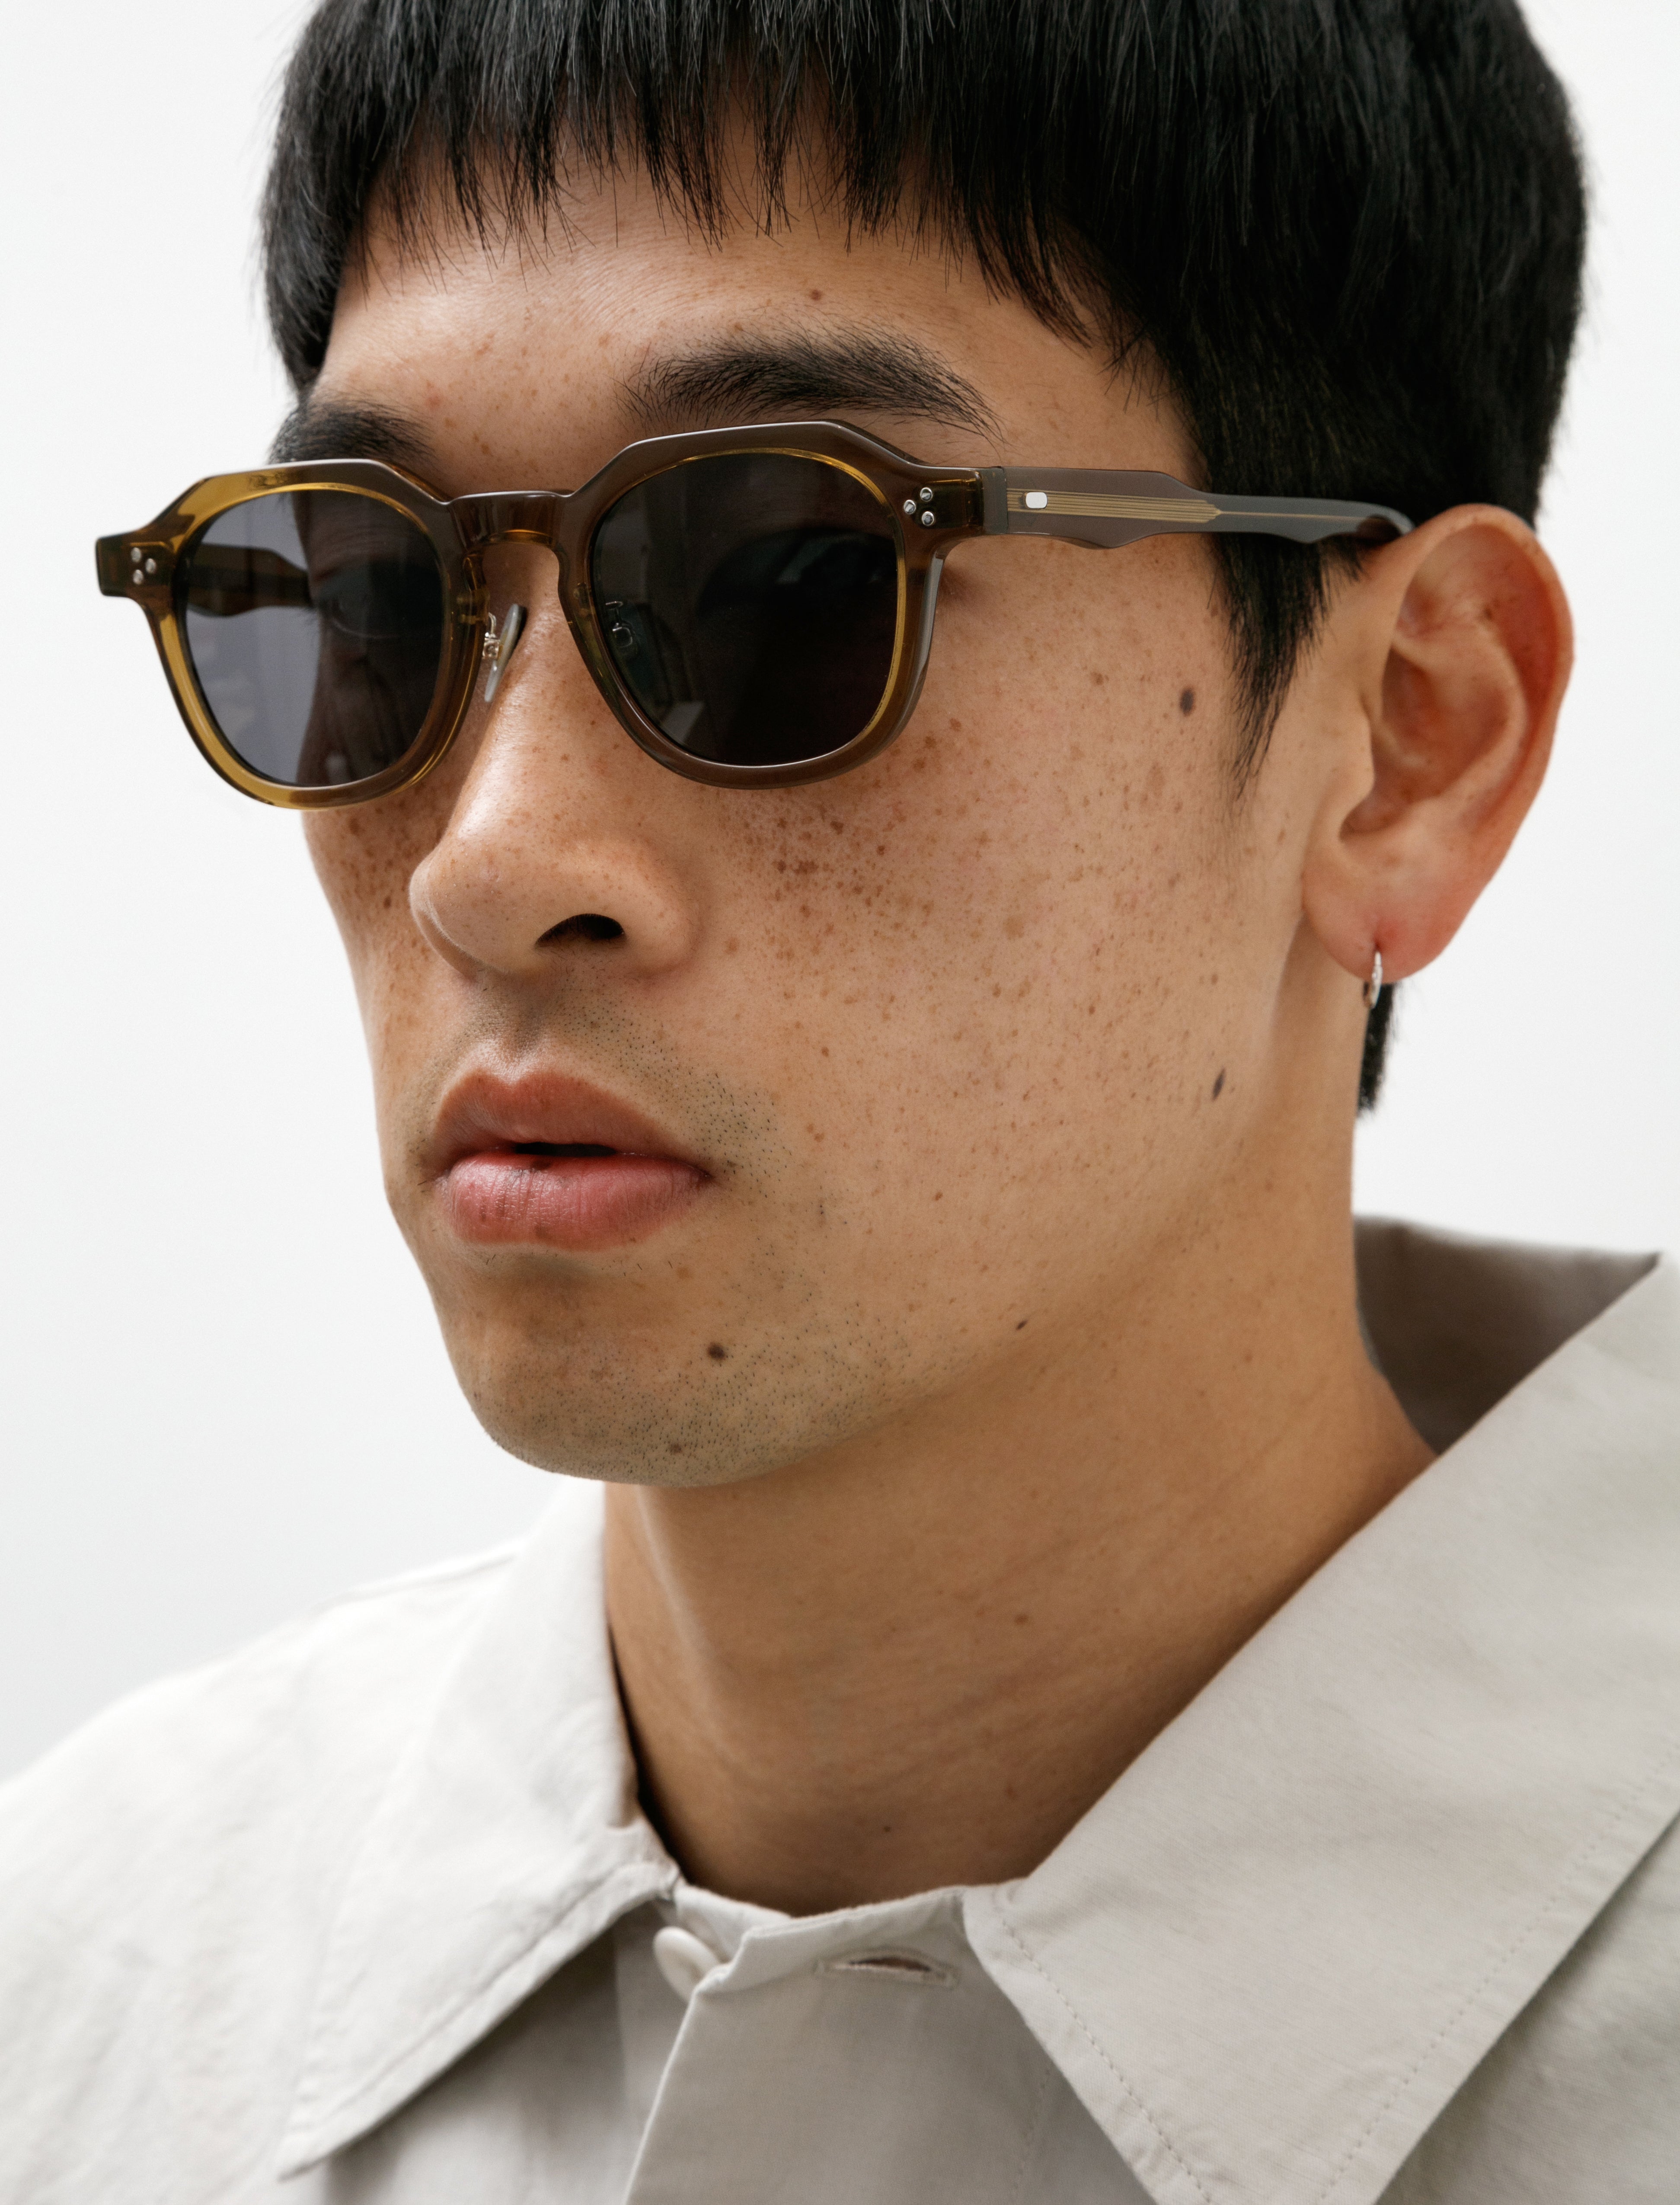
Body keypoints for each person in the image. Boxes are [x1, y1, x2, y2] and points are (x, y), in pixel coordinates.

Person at [6, 0, 1677, 2198]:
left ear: (1413, 739)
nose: (487, 859)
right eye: (378, 591)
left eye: (788, 579)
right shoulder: (86, 2001)